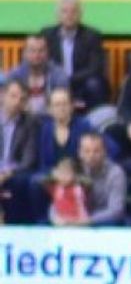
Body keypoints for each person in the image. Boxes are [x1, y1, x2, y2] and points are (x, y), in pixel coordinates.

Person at [28, 86, 90, 220]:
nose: (61, 108)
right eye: (56, 105)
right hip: (53, 174)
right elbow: (42, 163)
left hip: (78, 174)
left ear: (72, 106)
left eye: (64, 104)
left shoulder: (84, 126)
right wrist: (54, 173)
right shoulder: (45, 129)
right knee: (34, 182)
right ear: (49, 109)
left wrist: (73, 174)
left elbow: (101, 149)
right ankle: (42, 221)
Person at [42, 0, 108, 107]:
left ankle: (92, 116)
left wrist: (69, 79)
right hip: (55, 82)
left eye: (73, 11)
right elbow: (42, 62)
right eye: (65, 11)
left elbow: (95, 68)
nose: (69, 16)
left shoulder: (92, 36)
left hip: (81, 82)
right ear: (57, 15)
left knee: (94, 84)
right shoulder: (47, 35)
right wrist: (59, 79)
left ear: (80, 14)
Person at [0, 80, 39, 224]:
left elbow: (29, 158)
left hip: (14, 173)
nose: (17, 102)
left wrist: (7, 173)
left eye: (22, 99)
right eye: (13, 96)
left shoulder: (30, 122)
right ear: (2, 96)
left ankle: (14, 226)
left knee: (20, 182)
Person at [4, 35, 70, 115]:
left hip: (50, 119)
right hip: (21, 118)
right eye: (32, 50)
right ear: (24, 53)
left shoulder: (58, 75)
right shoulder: (15, 75)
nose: (36, 55)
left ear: (47, 52)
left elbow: (62, 105)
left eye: (41, 50)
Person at [78, 131, 128, 227]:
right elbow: (56, 203)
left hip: (106, 224)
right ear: (80, 153)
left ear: (104, 152)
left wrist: (87, 220)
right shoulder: (74, 170)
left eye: (96, 151)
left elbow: (116, 210)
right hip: (74, 223)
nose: (91, 155)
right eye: (87, 151)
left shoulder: (116, 173)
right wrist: (58, 218)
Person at [44, 156, 89, 226]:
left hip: (77, 220)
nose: (64, 176)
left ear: (74, 175)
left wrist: (76, 179)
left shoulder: (78, 188)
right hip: (61, 220)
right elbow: (44, 182)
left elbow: (88, 183)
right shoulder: (55, 188)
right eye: (61, 173)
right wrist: (53, 175)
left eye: (67, 173)